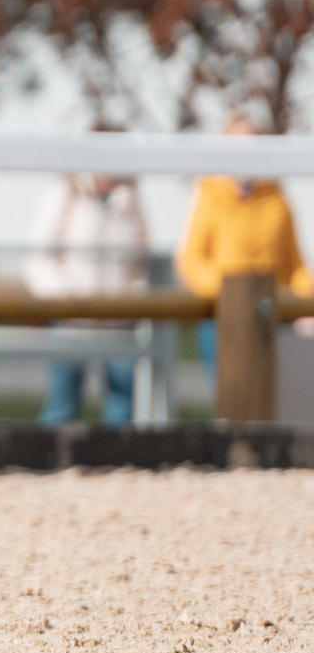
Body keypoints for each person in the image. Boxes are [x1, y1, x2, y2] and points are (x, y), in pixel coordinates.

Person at [176, 111, 313, 387]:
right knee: (230, 391)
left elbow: (294, 263)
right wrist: (230, 289)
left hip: (271, 309)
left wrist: (306, 303)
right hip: (225, 311)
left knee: (274, 393)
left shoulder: (277, 199)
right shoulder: (209, 194)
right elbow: (191, 260)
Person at [23, 168, 148, 426]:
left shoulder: (130, 197)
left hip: (119, 322)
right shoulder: (64, 193)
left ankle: (122, 462)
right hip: (71, 322)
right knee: (62, 404)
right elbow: (39, 259)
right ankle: (51, 462)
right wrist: (67, 299)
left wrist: (133, 298)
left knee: (123, 408)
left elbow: (142, 257)